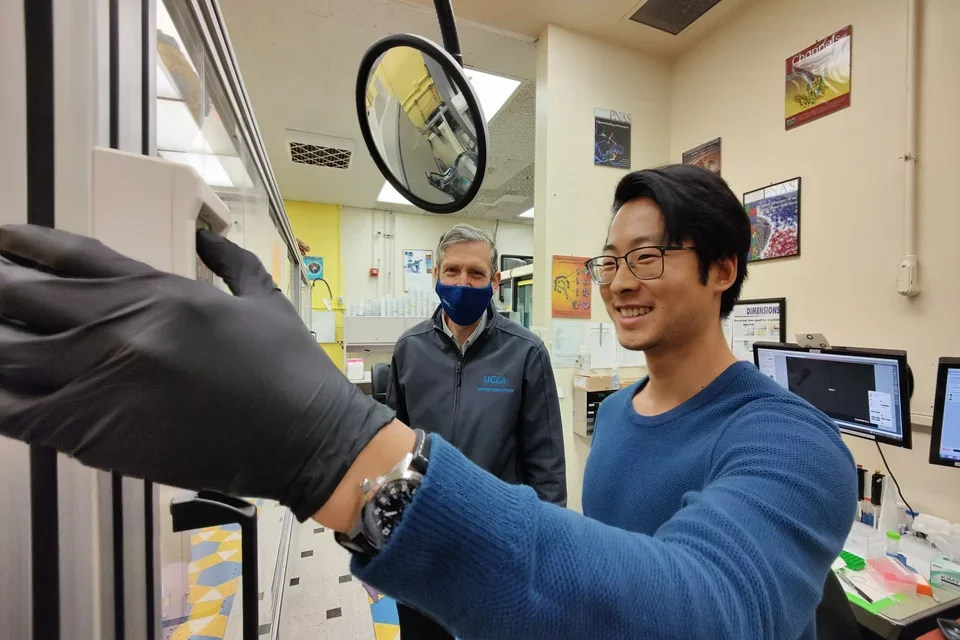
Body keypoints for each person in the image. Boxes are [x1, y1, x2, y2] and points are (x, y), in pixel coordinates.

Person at [0, 165, 857, 640]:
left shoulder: (792, 442)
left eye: (649, 257)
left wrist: (337, 454)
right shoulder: (626, 417)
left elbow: (706, 615)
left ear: (722, 270)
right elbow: (596, 569)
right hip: (458, 581)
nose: (619, 283)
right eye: (609, 261)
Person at [387, 224, 565, 638]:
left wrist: (542, 550)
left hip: (496, 545)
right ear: (435, 275)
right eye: (452, 271)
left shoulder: (525, 353)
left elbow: (547, 465)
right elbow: (391, 448)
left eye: (476, 273)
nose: (462, 283)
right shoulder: (408, 348)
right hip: (423, 543)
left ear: (495, 280)